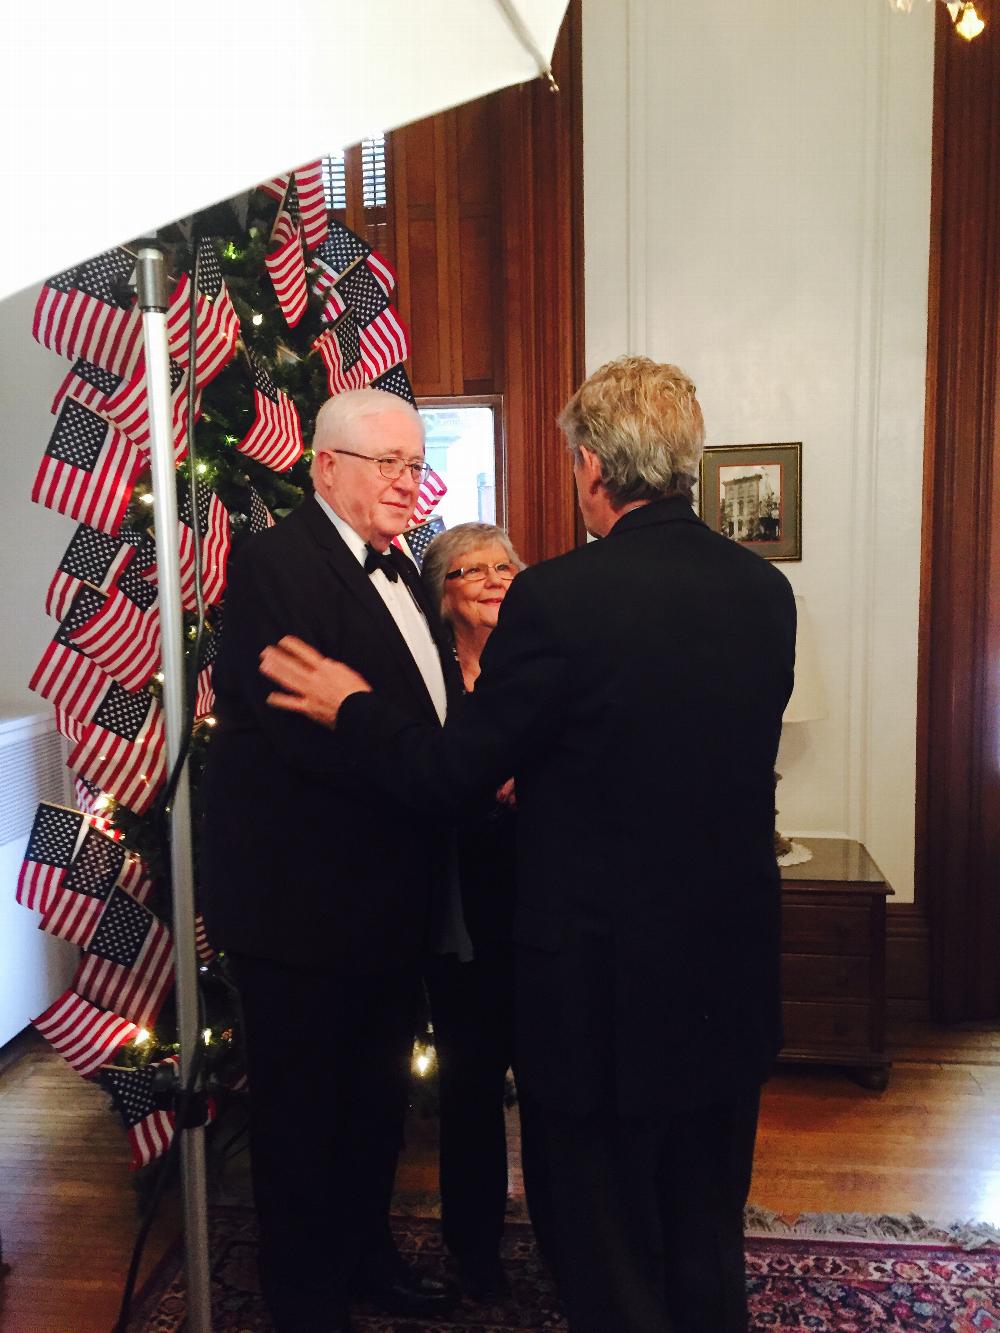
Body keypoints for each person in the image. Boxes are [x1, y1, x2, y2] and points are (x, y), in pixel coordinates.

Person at [258, 356, 797, 1333]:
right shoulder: (762, 593)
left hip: (600, 983)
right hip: (726, 967)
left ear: (590, 467)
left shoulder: (558, 598)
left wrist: (354, 706)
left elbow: (448, 772)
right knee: (704, 1230)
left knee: (605, 1241)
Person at [199, 388, 460, 1333]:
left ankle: (366, 1260)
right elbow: (304, 736)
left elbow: (418, 721)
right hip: (303, 913)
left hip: (389, 908)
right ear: (326, 467)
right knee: (306, 1121)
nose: (406, 482)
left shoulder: (403, 571)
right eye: (385, 462)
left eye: (415, 462)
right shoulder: (279, 564)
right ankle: (306, 1303)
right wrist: (435, 777)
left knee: (374, 1108)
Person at [419, 522, 523, 1297]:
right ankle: (474, 1250)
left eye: (504, 566)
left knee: (558, 1087)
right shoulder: (423, 674)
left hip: (545, 900)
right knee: (471, 1084)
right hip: (458, 908)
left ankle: (569, 1236)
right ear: (442, 591)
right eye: (470, 569)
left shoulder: (540, 664)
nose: (492, 578)